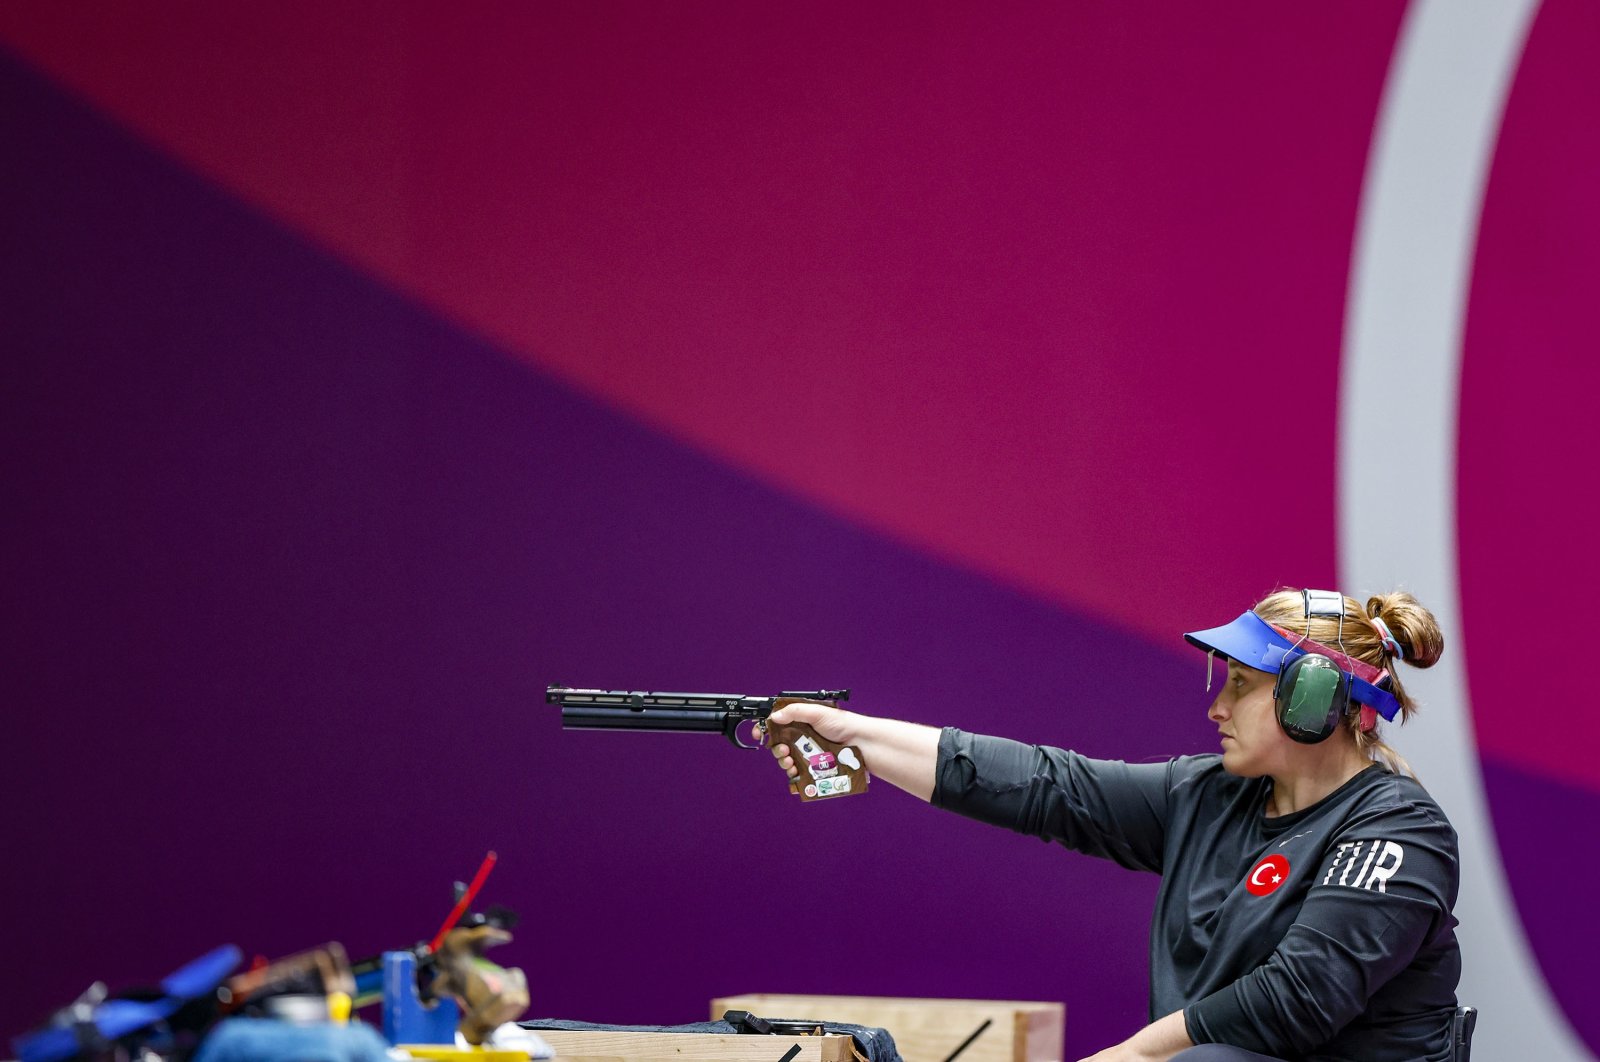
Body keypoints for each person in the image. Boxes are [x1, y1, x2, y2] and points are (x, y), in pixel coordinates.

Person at [762, 588, 1460, 1062]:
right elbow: (1044, 785)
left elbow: (1297, 1000)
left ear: (1315, 698)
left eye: (1241, 684)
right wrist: (853, 735)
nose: (1218, 707)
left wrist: (1138, 1051)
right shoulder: (1213, 796)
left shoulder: (1401, 832)